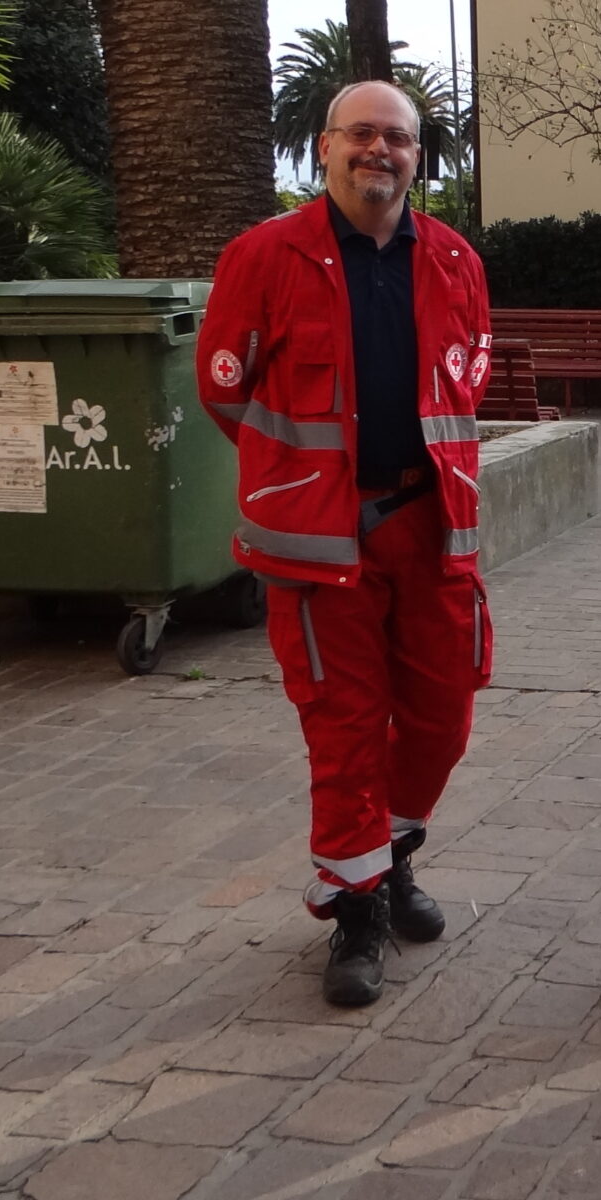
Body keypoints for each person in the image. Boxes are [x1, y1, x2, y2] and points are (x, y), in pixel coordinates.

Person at [200, 80, 494, 1008]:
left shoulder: (454, 260)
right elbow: (225, 392)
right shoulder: (263, 255)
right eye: (361, 135)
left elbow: (464, 389)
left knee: (444, 716)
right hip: (319, 543)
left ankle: (385, 853)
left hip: (429, 527)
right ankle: (359, 908)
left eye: (397, 138)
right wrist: (301, 481)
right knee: (346, 730)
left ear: (419, 156)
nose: (380, 151)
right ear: (324, 149)